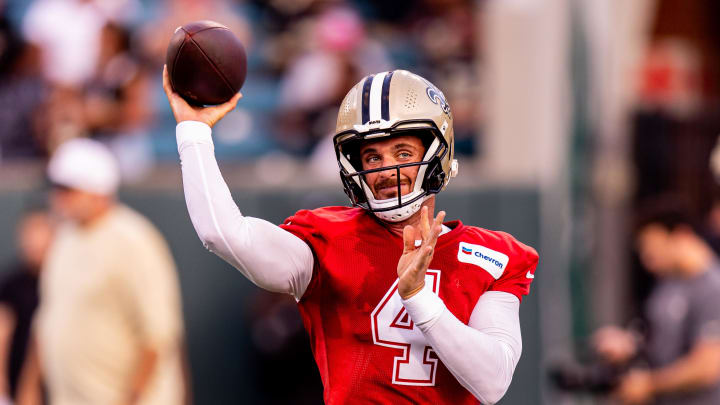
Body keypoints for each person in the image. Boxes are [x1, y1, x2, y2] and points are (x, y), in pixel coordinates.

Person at [164, 67, 538, 404]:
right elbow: (222, 233)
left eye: (403, 151)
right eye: (372, 157)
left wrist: (419, 298)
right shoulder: (328, 239)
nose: (386, 169)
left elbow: (492, 382)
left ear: (437, 152)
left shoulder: (492, 254)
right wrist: (194, 132)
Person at [19, 139, 187, 405]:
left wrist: (133, 398)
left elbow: (158, 334)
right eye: (57, 188)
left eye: (68, 189)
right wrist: (28, 388)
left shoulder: (134, 240)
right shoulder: (64, 237)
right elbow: (49, 319)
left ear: (97, 191)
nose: (58, 197)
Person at [593, 202, 720, 404]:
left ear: (681, 235)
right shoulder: (668, 284)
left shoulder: (713, 288)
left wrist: (648, 384)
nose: (647, 259)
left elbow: (707, 367)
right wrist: (630, 345)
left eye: (651, 247)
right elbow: (659, 339)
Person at [0, 209, 54, 404]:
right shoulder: (12, 282)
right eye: (28, 234)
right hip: (19, 377)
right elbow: (3, 329)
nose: (33, 242)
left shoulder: (64, 279)